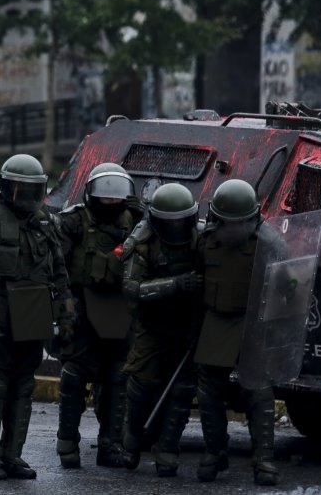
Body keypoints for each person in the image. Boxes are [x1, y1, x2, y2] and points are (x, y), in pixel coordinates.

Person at [0, 153, 76, 480]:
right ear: (5, 187)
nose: (23, 197)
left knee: (24, 385)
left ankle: (13, 455)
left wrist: (66, 318)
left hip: (33, 310)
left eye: (30, 190)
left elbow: (61, 276)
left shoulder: (46, 222)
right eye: (17, 189)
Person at [55, 163, 143, 468]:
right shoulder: (74, 221)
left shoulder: (134, 221)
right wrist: (63, 309)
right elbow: (55, 265)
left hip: (119, 307)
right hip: (82, 305)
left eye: (117, 196)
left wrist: (145, 217)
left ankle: (110, 445)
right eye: (105, 195)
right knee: (75, 375)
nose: (111, 201)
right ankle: (67, 444)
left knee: (119, 377)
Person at [194, 179, 281, 485]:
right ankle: (215, 452)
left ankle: (264, 460)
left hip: (252, 324)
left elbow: (289, 285)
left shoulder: (268, 243)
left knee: (259, 393)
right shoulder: (206, 240)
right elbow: (198, 278)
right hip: (217, 320)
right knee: (208, 393)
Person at [119, 182, 204, 477]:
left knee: (181, 393)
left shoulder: (201, 238)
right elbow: (131, 287)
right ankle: (130, 443)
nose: (177, 227)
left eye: (182, 220)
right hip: (152, 326)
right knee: (141, 386)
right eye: (170, 221)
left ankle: (168, 451)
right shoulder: (142, 241)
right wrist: (176, 285)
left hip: (188, 328)